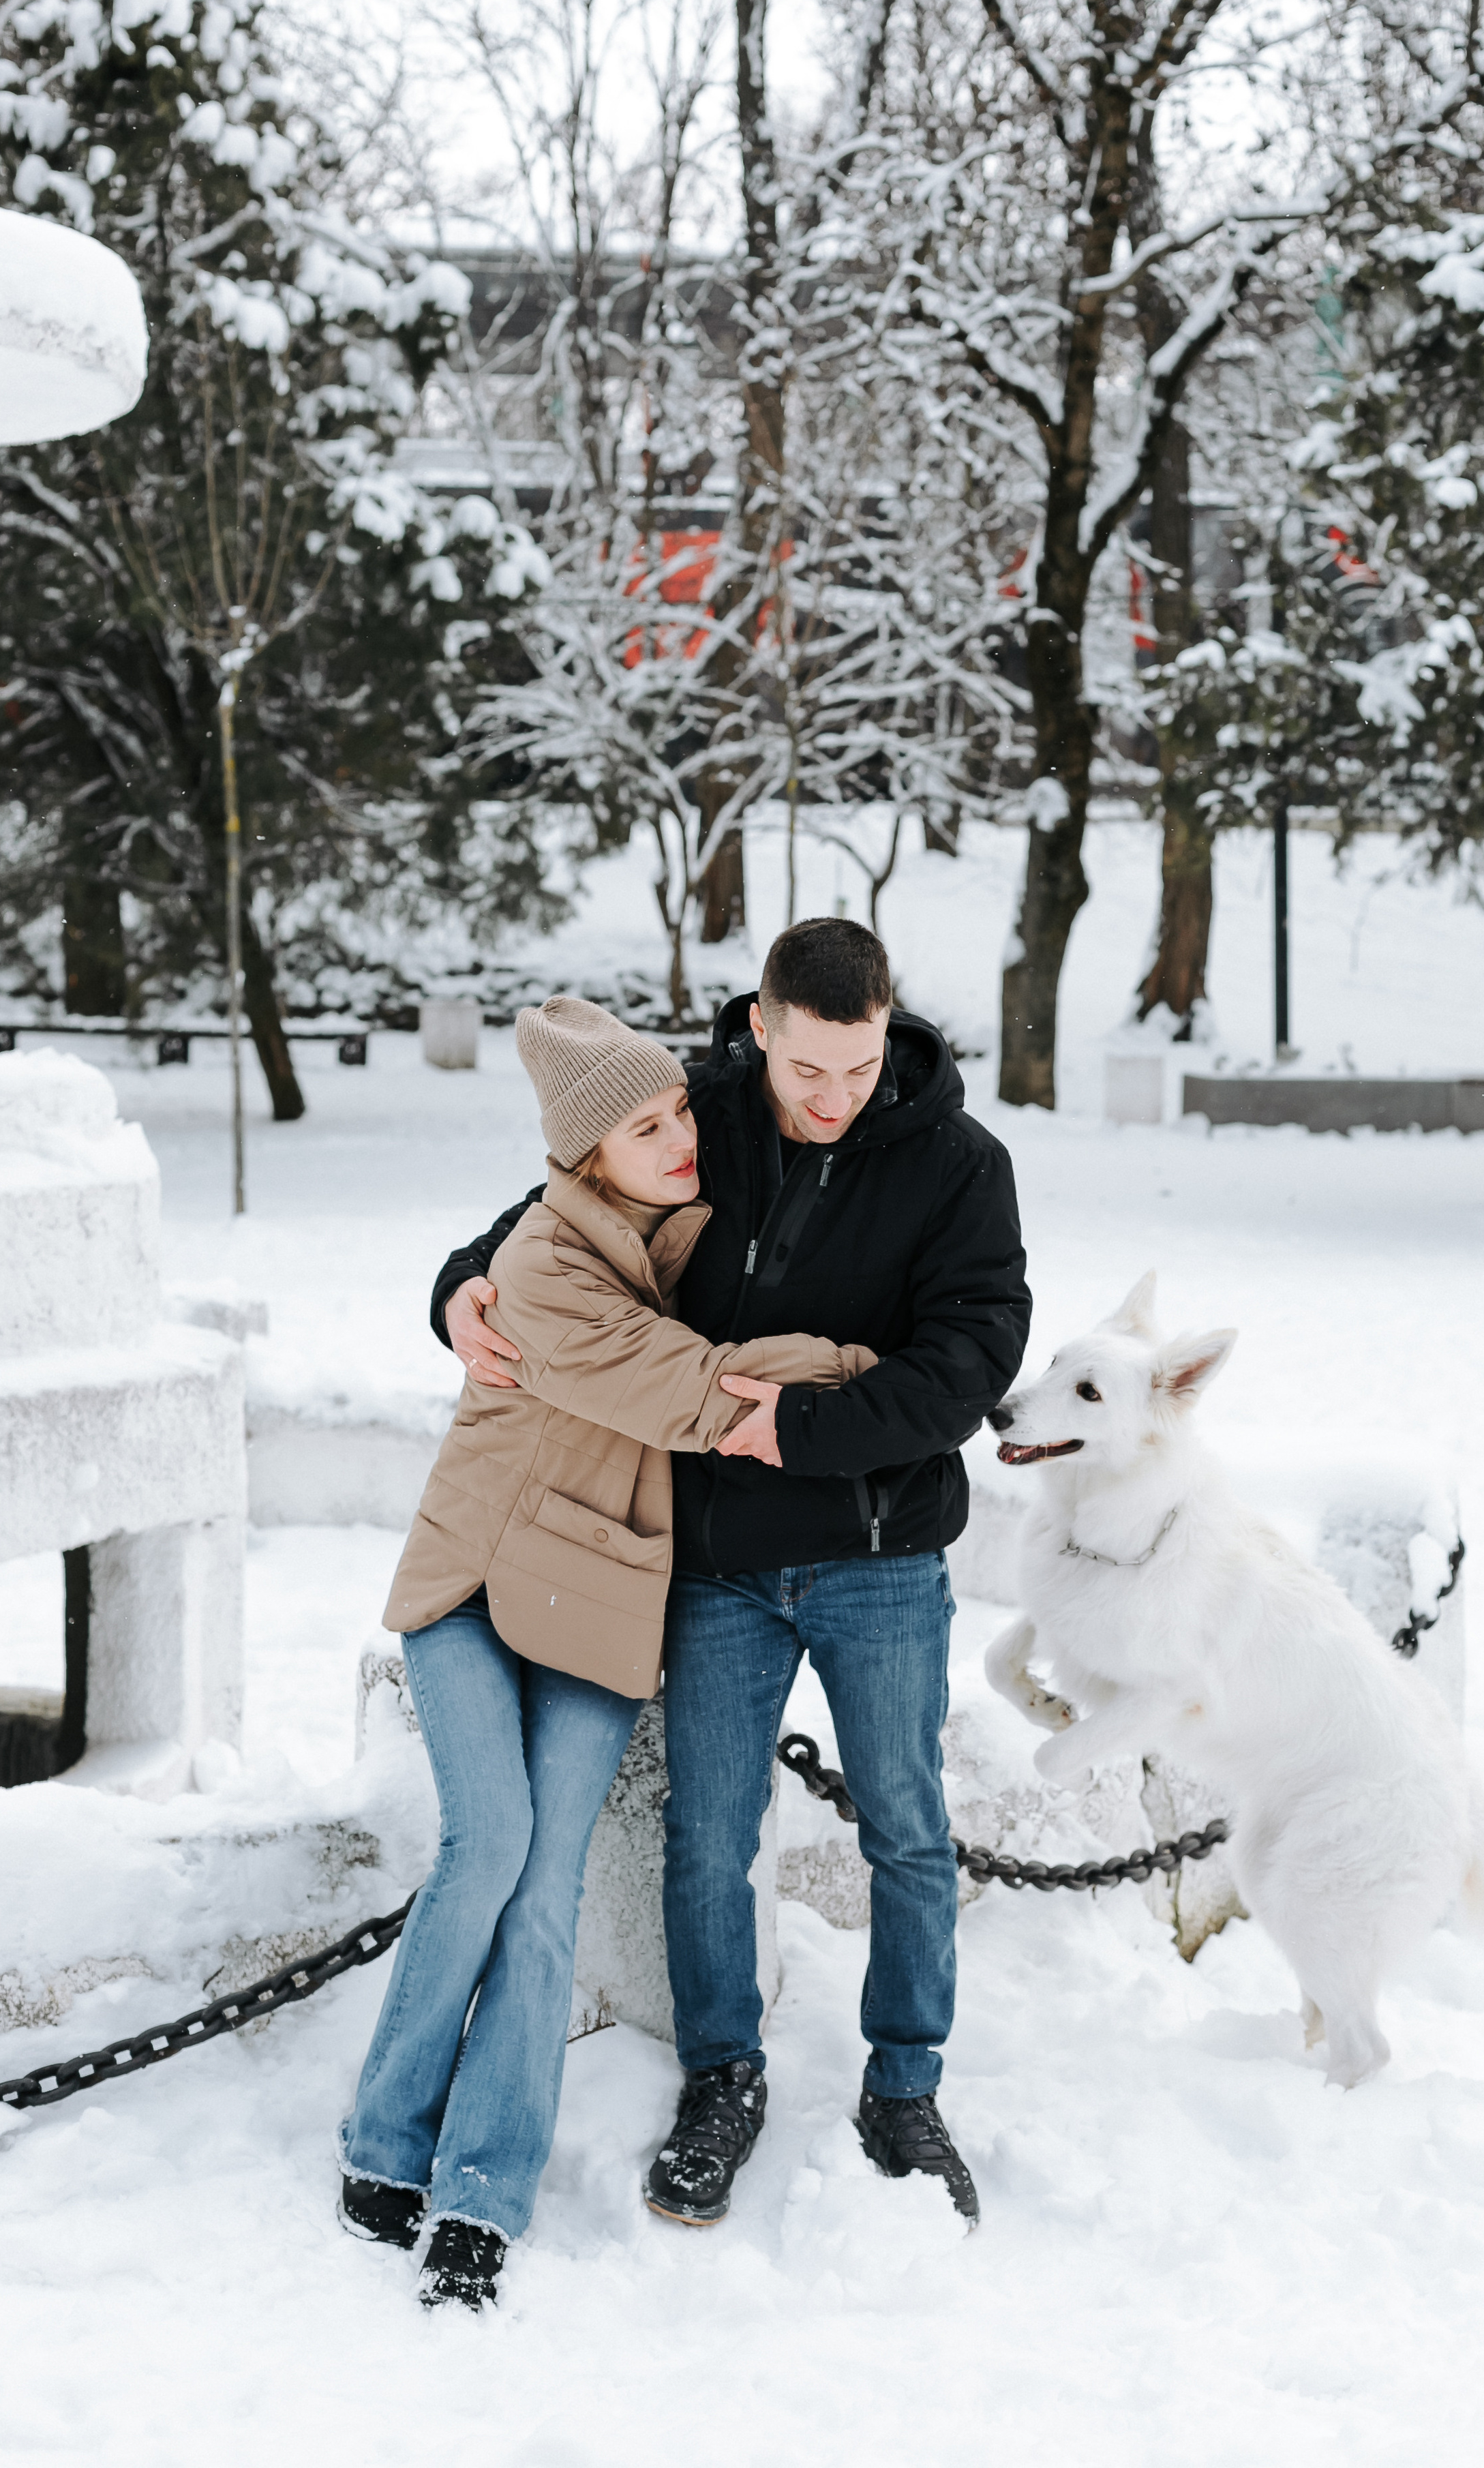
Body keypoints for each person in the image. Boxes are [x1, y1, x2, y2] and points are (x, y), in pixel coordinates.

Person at [434, 920, 1031, 2229]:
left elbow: (972, 1360)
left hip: (881, 1556)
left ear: (888, 1031)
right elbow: (554, 1222)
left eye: (859, 1068)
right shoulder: (690, 1115)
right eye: (808, 1067)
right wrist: (461, 1290)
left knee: (907, 1832)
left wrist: (797, 1431)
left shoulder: (959, 1163)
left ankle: (906, 2087)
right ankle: (722, 2078)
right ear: (759, 1025)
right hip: (714, 1559)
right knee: (708, 1841)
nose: (833, 1098)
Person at [338, 997, 873, 2310]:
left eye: (680, 1109)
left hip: (598, 1603)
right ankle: (383, 2138)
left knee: (546, 1885)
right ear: (587, 1155)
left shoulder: (679, 1233)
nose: (681, 1134)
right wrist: (862, 1365)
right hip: (469, 1589)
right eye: (644, 1125)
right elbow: (700, 1395)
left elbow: (724, 1341)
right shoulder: (542, 1272)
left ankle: (481, 2193)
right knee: (492, 1845)